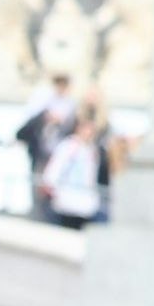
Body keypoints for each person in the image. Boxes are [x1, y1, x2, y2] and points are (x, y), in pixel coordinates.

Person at [39, 91, 109, 228]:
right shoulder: (68, 146)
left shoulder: (93, 150)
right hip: (66, 202)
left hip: (85, 204)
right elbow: (55, 168)